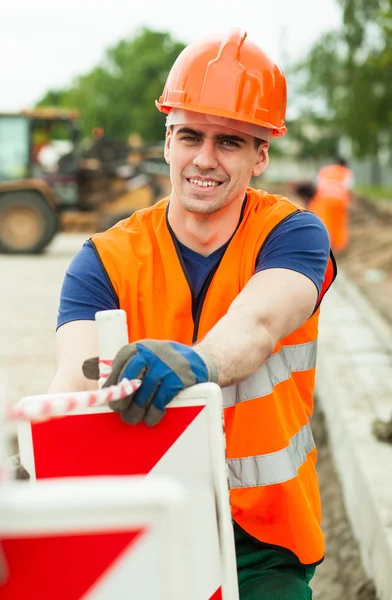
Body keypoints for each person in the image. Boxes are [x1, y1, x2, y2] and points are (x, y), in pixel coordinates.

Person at [50, 29, 337, 600]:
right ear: (166, 142)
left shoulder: (292, 235)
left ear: (261, 155)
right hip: (146, 528)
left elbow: (256, 325)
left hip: (263, 541)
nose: (204, 159)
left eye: (230, 142)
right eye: (190, 136)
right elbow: (72, 383)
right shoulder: (104, 260)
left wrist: (194, 362)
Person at [308, 157, 355, 254]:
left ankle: (324, 246)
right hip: (339, 201)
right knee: (338, 224)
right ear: (345, 164)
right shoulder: (346, 172)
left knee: (324, 222)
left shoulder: (325, 170)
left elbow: (317, 185)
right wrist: (349, 201)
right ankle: (338, 247)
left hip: (323, 200)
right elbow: (348, 187)